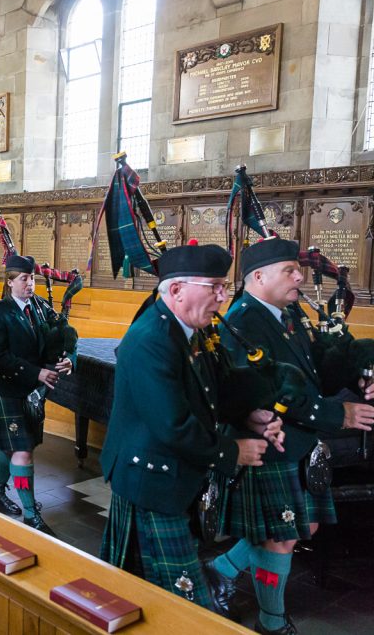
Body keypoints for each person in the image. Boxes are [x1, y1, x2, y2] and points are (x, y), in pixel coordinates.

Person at [99, 243, 284, 608]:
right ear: (177, 289)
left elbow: (210, 391)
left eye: (224, 286)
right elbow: (173, 425)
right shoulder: (150, 339)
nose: (222, 296)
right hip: (150, 480)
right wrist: (232, 451)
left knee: (144, 595)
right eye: (214, 286)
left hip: (172, 476)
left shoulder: (190, 331)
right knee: (183, 602)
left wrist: (248, 415)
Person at [206, 238, 374, 633]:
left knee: (301, 527)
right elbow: (268, 392)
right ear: (258, 276)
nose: (300, 276)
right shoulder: (243, 321)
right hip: (269, 444)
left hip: (297, 442)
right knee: (280, 536)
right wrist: (340, 415)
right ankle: (272, 622)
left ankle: (219, 570)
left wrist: (360, 372)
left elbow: (315, 371)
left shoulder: (288, 313)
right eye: (289, 270)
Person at [0, 255, 73, 534]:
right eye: (24, 279)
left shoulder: (42, 308)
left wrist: (68, 359)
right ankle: (31, 513)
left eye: (32, 278)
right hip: (7, 388)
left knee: (14, 447)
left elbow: (62, 337)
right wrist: (37, 373)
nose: (30, 283)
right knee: (22, 451)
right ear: (10, 282)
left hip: (32, 391)